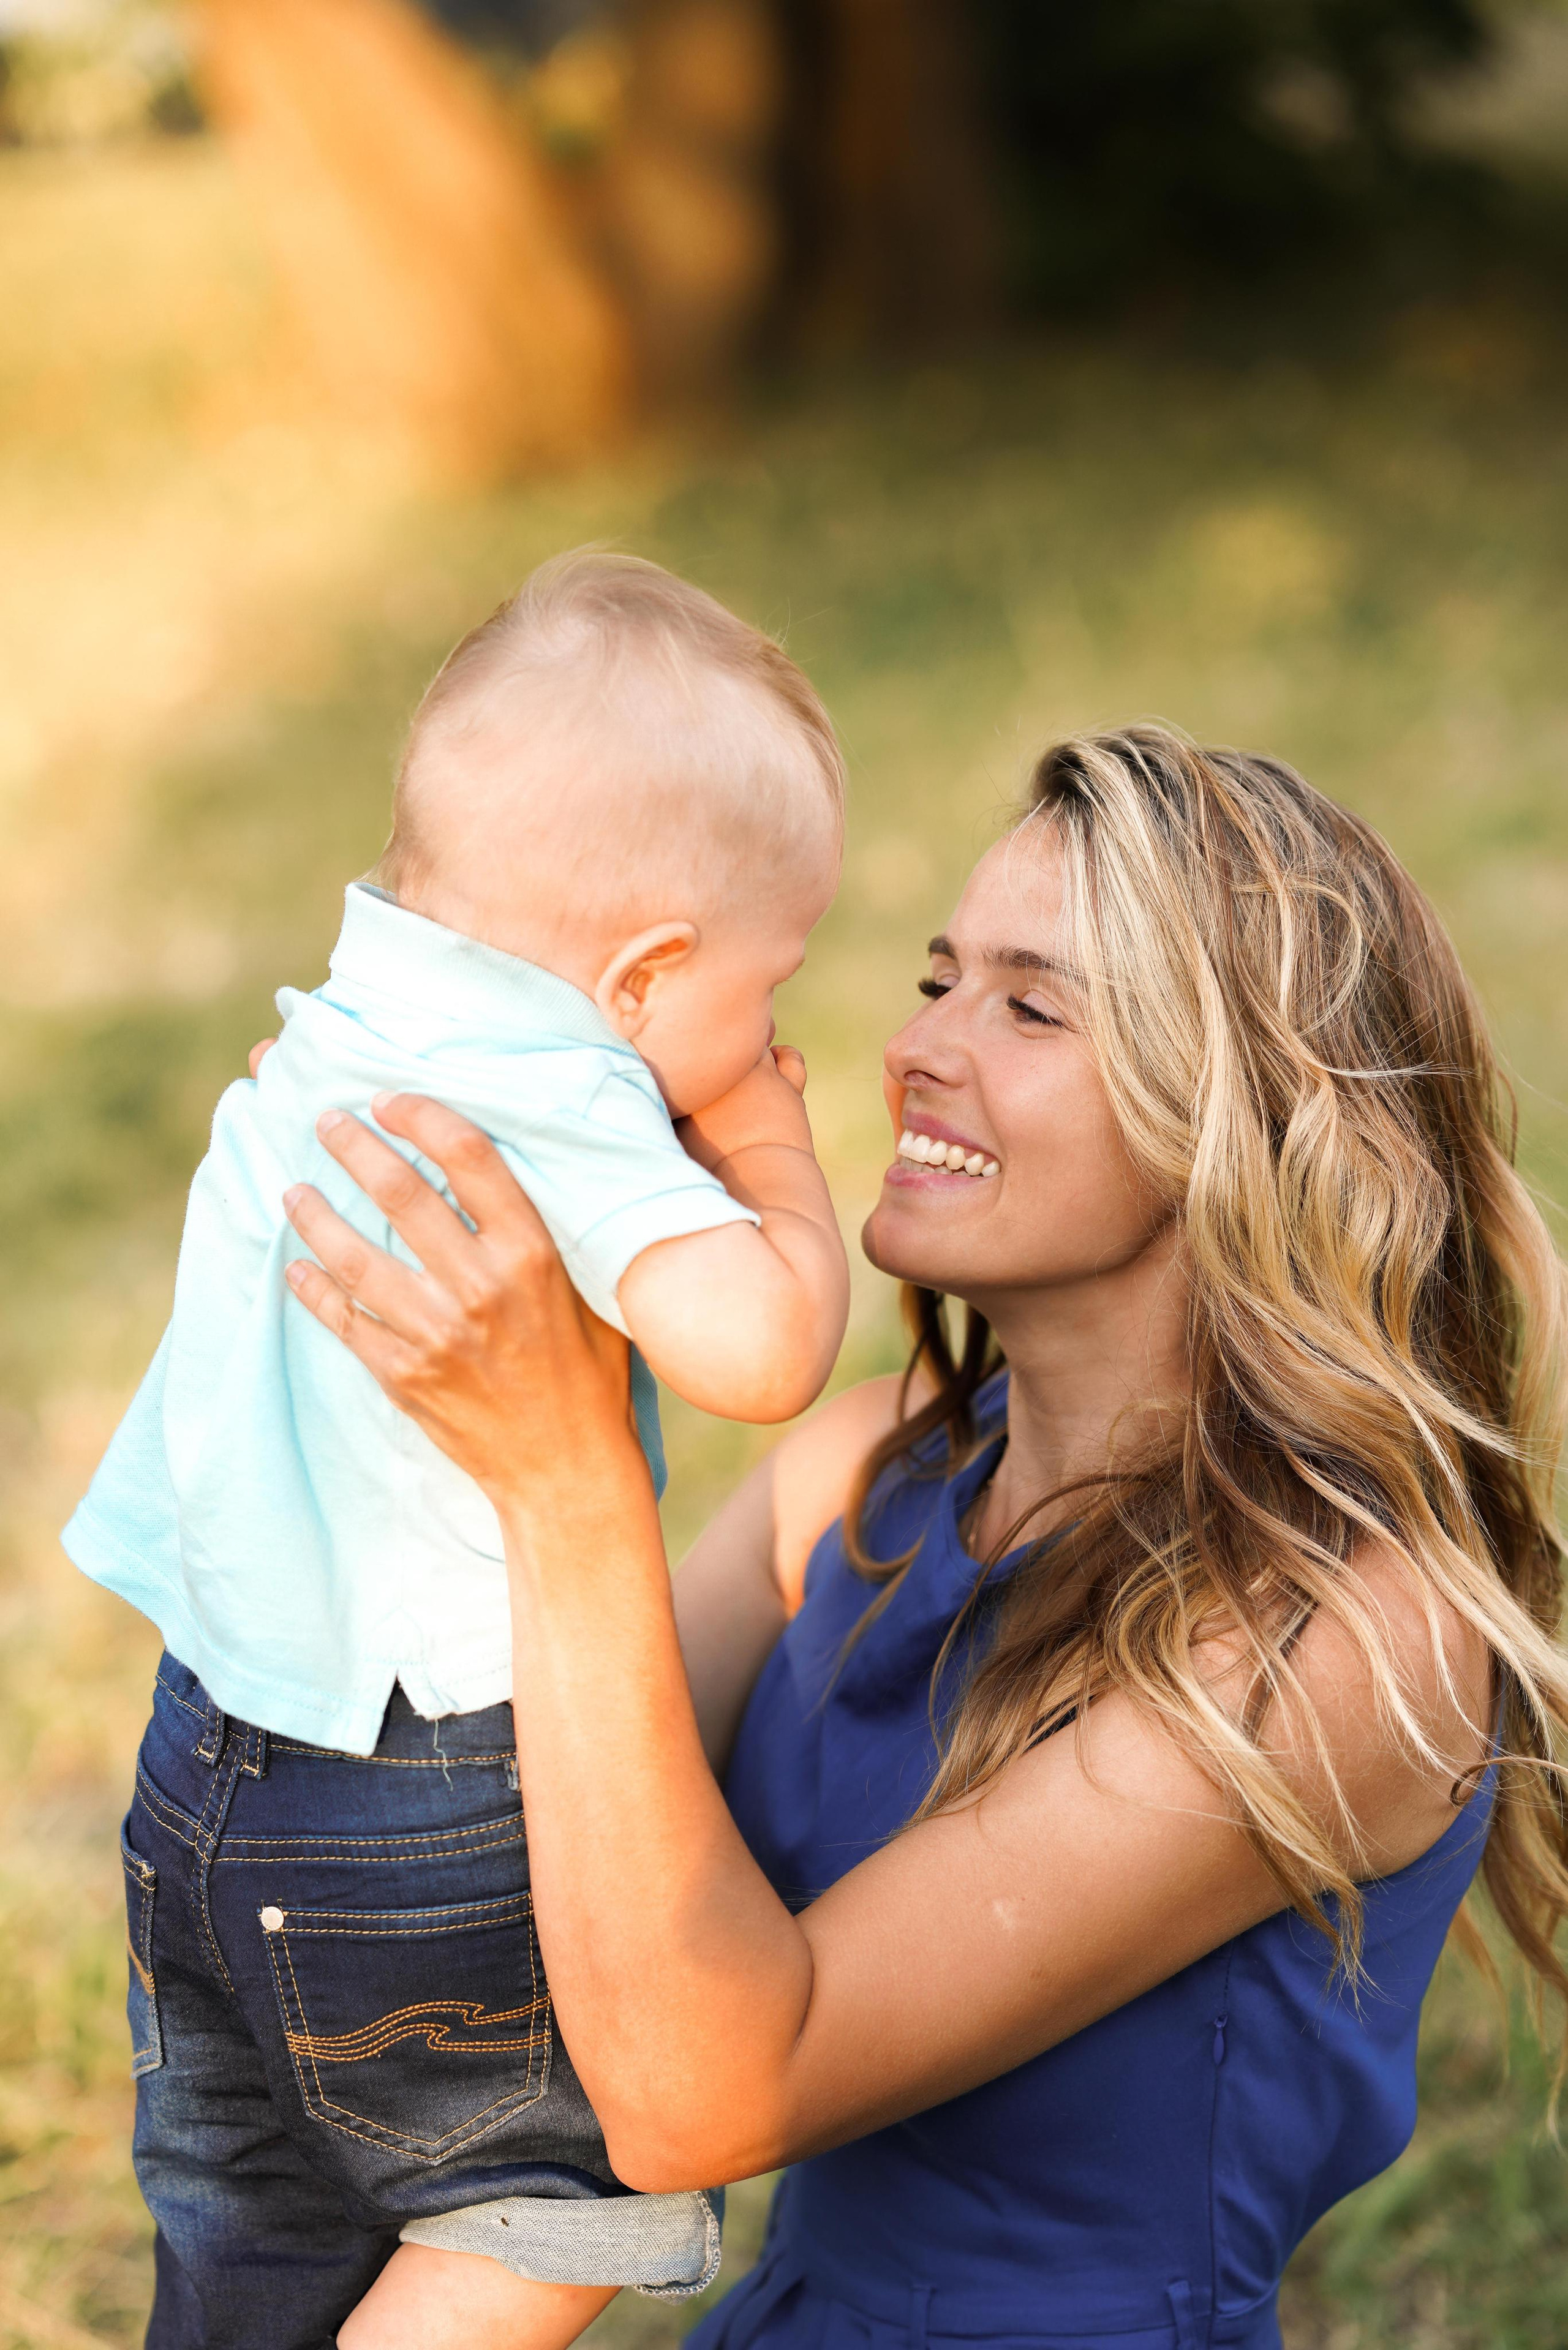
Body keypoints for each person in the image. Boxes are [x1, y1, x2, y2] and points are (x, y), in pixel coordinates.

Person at [282, 726, 1568, 2350]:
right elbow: (481, 1837)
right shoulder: (866, 1481)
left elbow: (707, 2096)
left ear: (1243, 1119)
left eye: (1031, 1008)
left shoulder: (1345, 1633)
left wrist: (568, 1480)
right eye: (939, 978)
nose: (916, 1050)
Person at [66, 553, 850, 2349]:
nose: (773, 1027)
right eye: (767, 983)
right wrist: (768, 1143)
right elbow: (765, 1350)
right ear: (645, 976)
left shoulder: (341, 1027)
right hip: (433, 1807)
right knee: (582, 2179)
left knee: (252, 2242)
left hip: (207, 1774)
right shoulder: (562, 1087)